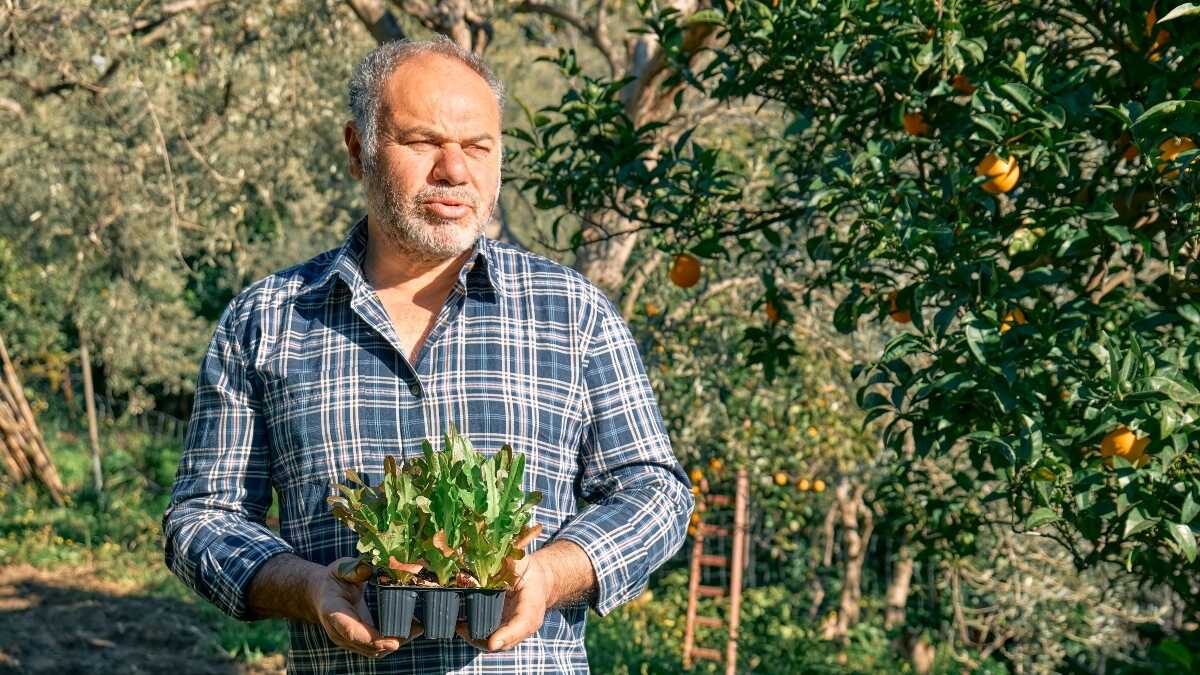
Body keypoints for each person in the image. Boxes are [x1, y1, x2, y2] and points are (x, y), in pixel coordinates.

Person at [161, 36, 693, 674]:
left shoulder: (572, 313)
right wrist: (308, 588)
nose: (454, 170)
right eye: (422, 143)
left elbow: (655, 493)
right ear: (359, 151)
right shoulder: (266, 320)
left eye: (477, 147)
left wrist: (551, 574)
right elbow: (201, 518)